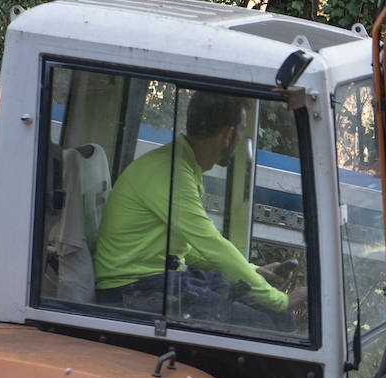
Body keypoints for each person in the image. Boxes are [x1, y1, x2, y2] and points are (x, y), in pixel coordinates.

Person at [93, 91, 293, 331]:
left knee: (280, 318)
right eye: (241, 130)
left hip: (158, 280)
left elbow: (191, 251)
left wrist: (256, 271)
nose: (240, 140)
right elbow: (213, 245)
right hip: (130, 290)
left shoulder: (182, 165)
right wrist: (282, 301)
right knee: (264, 324)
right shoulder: (171, 172)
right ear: (228, 135)